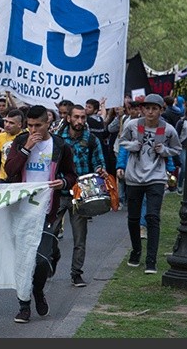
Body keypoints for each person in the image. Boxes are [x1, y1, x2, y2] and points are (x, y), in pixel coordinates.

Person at [4, 104, 77, 324]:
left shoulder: (60, 146)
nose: (34, 130)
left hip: (46, 211)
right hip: (21, 210)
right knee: (23, 260)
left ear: (49, 123)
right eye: (30, 125)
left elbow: (72, 175)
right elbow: (10, 170)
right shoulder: (20, 141)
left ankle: (37, 290)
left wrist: (62, 183)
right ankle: (23, 306)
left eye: (38, 125)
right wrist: (25, 148)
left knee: (42, 260)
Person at [117, 93, 182, 274]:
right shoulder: (133, 125)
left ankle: (151, 259)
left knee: (153, 217)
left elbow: (177, 149)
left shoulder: (168, 129)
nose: (150, 112)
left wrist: (164, 151)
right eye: (147, 108)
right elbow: (122, 142)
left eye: (155, 108)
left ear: (161, 110)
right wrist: (132, 147)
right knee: (133, 218)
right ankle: (136, 250)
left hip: (156, 177)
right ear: (142, 109)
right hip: (134, 177)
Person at [54, 104, 106, 288]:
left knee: (79, 237)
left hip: (81, 195)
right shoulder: (58, 139)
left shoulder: (91, 140)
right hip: (59, 193)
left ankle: (76, 273)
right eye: (76, 117)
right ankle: (52, 258)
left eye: (83, 117)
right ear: (68, 118)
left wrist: (101, 171)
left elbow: (99, 162)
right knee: (50, 233)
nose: (80, 121)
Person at [0, 108, 26, 181]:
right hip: (2, 179)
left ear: (19, 124)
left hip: (19, 179)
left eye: (11, 123)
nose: (7, 125)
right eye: (6, 121)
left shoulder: (26, 137)